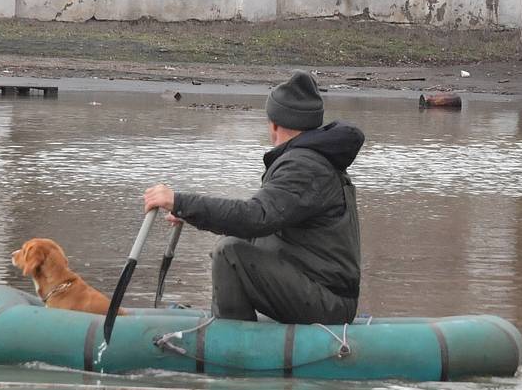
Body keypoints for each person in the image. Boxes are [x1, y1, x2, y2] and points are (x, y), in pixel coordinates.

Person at [143, 71, 364, 324]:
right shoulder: (309, 159)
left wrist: (180, 202)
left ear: (274, 123)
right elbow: (259, 226)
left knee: (230, 254)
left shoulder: (304, 166)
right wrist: (189, 213)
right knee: (235, 244)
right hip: (322, 292)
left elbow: (255, 217)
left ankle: (234, 346)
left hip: (328, 302)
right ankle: (231, 326)